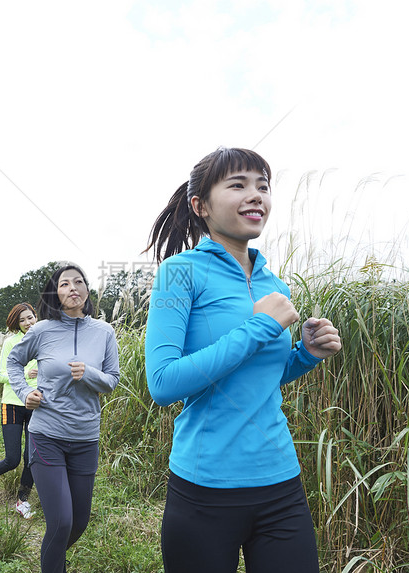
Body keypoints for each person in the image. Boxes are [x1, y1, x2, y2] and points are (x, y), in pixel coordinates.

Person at [143, 147, 342, 573]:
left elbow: (263, 376)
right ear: (201, 206)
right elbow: (162, 383)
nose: (255, 195)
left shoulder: (275, 283)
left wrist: (306, 354)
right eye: (237, 185)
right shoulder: (179, 273)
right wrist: (257, 329)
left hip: (281, 485)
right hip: (205, 489)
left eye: (262, 186)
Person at [7, 264, 120, 573]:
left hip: (86, 438)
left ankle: (50, 557)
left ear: (87, 289)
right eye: (64, 284)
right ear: (55, 294)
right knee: (61, 521)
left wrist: (89, 373)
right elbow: (14, 362)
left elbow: (112, 381)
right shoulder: (41, 330)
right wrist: (24, 392)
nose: (72, 288)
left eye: (78, 282)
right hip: (46, 435)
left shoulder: (104, 332)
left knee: (79, 523)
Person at [0, 303, 39, 518]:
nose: (27, 323)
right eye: (22, 320)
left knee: (31, 458)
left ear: (36, 317)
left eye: (30, 318)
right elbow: (0, 375)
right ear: (17, 323)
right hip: (13, 404)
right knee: (13, 458)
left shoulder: (44, 339)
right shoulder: (10, 342)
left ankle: (22, 501)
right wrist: (25, 373)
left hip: (37, 404)